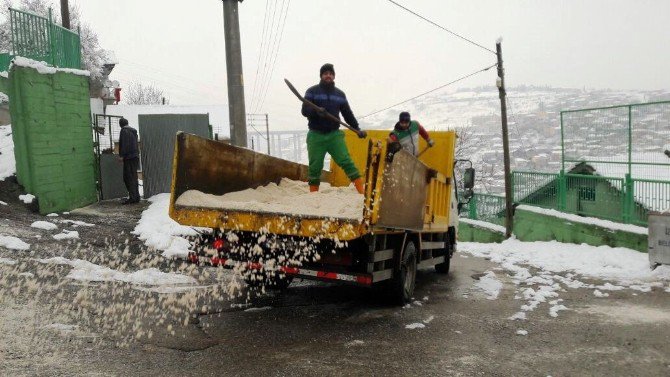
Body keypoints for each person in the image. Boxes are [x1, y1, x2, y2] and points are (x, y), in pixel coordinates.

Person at [301, 63, 367, 194]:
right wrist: (316, 111)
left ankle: (361, 192)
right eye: (325, 73)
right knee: (315, 167)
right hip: (316, 135)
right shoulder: (311, 91)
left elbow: (348, 114)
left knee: (346, 161)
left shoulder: (340, 95)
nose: (328, 76)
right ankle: (313, 195)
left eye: (331, 73)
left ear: (334, 76)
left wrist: (357, 129)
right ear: (321, 76)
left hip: (334, 135)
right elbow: (304, 110)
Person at [118, 117, 140, 204]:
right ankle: (136, 197)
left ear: (121, 124)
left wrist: (122, 156)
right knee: (134, 177)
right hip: (135, 157)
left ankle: (132, 198)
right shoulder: (133, 131)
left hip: (129, 157)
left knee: (128, 177)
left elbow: (125, 144)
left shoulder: (124, 131)